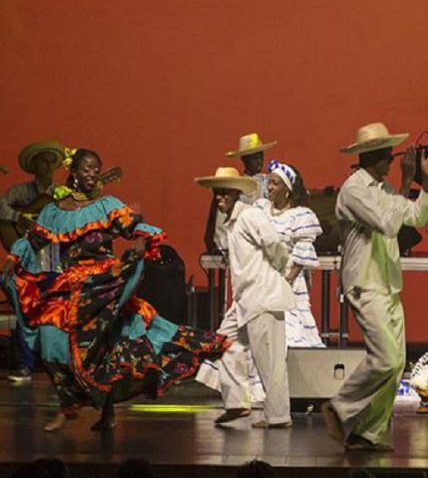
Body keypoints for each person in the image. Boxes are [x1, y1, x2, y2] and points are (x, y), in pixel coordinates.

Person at [0, 148, 228, 432]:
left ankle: (104, 412)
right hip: (69, 286)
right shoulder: (56, 211)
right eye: (87, 169)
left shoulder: (107, 205)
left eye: (97, 169)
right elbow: (33, 240)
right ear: (73, 172)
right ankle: (68, 404)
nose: (93, 174)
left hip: (104, 285)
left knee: (110, 349)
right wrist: (13, 260)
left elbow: (135, 228)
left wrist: (141, 243)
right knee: (52, 345)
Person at [321, 123, 428, 451]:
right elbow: (388, 224)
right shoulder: (354, 189)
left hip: (387, 284)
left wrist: (427, 181)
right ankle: (339, 406)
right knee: (385, 359)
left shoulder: (386, 189)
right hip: (364, 283)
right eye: (387, 154)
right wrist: (405, 182)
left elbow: (415, 216)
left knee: (397, 363)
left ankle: (366, 434)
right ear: (370, 156)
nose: (392, 160)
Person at [197, 160, 325, 403]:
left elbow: (297, 253)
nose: (270, 188)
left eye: (276, 184)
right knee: (238, 337)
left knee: (279, 340)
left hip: (285, 282)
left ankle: (281, 398)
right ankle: (244, 396)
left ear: (289, 188)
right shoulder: (259, 209)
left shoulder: (301, 216)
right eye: (269, 183)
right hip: (258, 282)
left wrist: (284, 279)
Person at [195, 166, 295, 429]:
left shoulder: (250, 215)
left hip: (262, 297)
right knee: (223, 343)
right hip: (244, 300)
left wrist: (278, 270)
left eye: (225, 192)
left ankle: (278, 416)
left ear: (236, 193)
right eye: (217, 193)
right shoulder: (231, 223)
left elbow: (275, 244)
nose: (220, 198)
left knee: (269, 360)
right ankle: (237, 402)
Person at [0, 142, 65, 382]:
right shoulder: (21, 192)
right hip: (26, 264)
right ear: (33, 166)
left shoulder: (62, 194)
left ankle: (55, 365)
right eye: (43, 161)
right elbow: (1, 206)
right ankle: (25, 364)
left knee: (56, 309)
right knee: (21, 303)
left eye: (51, 161)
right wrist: (19, 217)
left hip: (52, 262)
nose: (47, 165)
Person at [206, 133, 276, 253]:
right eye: (254, 157)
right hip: (238, 242)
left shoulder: (270, 183)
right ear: (244, 159)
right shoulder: (235, 186)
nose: (259, 161)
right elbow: (222, 219)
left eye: (260, 156)